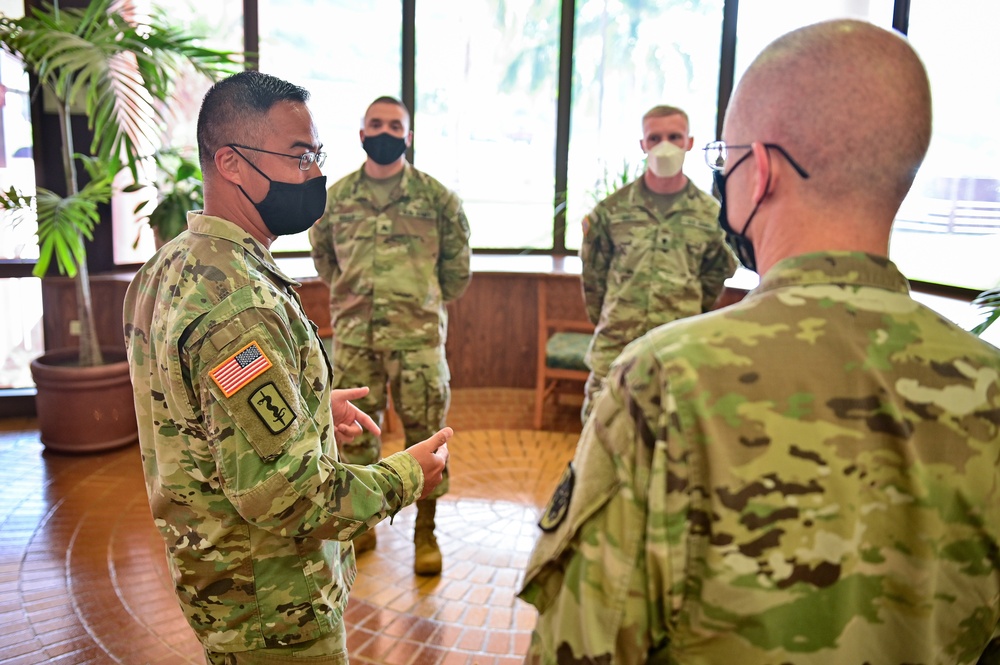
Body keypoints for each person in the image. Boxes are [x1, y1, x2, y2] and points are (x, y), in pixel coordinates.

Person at [518, 19, 1000, 664]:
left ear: (762, 171)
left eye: (726, 159)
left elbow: (581, 648)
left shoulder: (664, 384)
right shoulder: (990, 387)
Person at [123, 71, 451, 664]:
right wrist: (407, 474)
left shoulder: (172, 265)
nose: (315, 174)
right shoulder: (238, 303)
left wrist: (306, 408)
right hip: (273, 606)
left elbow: (199, 416)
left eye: (317, 155)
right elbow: (291, 498)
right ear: (231, 162)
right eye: (300, 157)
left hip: (227, 588)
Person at [308, 96, 471, 575]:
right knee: (356, 438)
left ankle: (426, 532)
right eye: (375, 124)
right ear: (361, 135)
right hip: (356, 338)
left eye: (394, 125)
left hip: (418, 341)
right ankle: (364, 523)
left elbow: (457, 272)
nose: (384, 131)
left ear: (408, 135)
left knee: (427, 438)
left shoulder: (438, 199)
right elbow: (325, 262)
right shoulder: (334, 199)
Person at [579, 104, 736, 418]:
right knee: (597, 448)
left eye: (674, 136)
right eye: (655, 138)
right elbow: (594, 280)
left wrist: (684, 311)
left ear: (689, 142)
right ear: (643, 145)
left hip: (677, 351)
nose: (665, 145)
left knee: (670, 450)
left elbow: (715, 275)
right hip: (616, 351)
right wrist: (616, 318)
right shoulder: (611, 211)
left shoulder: (711, 215)